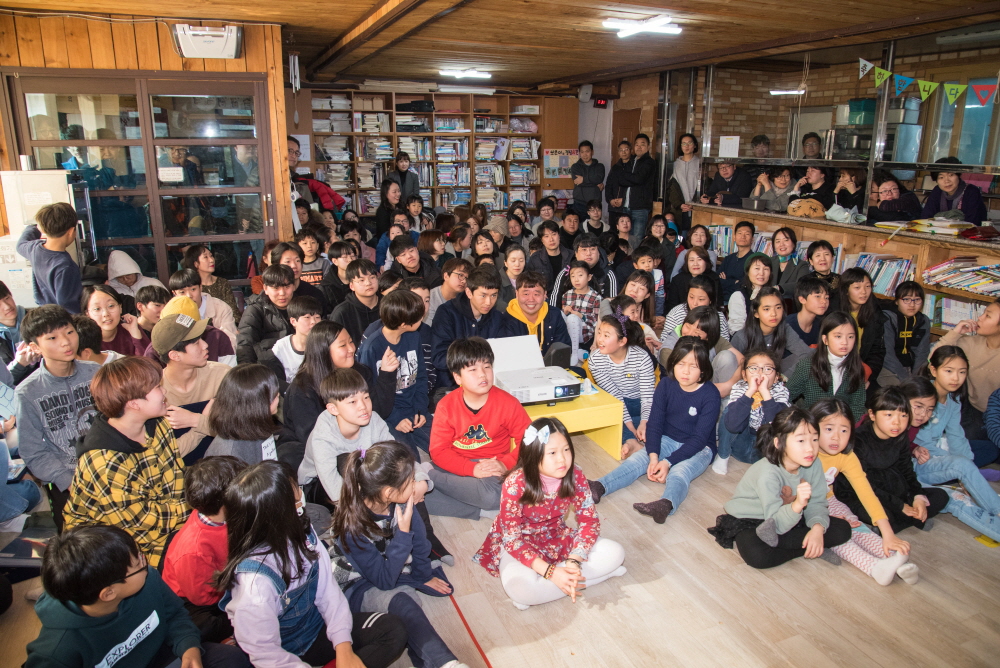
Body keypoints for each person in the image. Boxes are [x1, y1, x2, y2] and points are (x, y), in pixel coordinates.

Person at [217, 460, 408, 668]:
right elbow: (267, 655)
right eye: (295, 500)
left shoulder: (302, 532)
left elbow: (328, 591)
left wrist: (343, 645)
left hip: (317, 628)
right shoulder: (254, 586)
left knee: (393, 631)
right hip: (285, 652)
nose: (301, 499)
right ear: (277, 515)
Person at [26, 525, 249, 668]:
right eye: (137, 563)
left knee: (232, 659)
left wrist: (189, 647)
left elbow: (175, 615)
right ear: (108, 593)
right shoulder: (57, 652)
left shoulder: (146, 579)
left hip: (163, 655)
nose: (145, 563)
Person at [331, 443, 469, 668]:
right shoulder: (352, 528)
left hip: (390, 566)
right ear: (388, 492)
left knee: (410, 602)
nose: (415, 485)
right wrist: (403, 535)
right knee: (404, 601)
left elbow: (421, 544)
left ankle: (432, 660)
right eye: (411, 481)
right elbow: (384, 581)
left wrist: (423, 576)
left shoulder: (402, 502)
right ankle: (447, 663)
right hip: (358, 583)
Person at [474, 416, 626, 609]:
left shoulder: (575, 474)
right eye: (552, 453)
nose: (562, 459)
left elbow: (589, 522)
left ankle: (553, 585)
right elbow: (512, 539)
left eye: (566, 450)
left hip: (556, 536)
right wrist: (551, 572)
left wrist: (574, 561)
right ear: (534, 455)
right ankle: (589, 578)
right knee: (520, 588)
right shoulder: (515, 483)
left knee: (616, 552)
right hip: (519, 544)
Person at [63, 356, 188, 566]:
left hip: (162, 519)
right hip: (106, 546)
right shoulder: (104, 461)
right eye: (157, 387)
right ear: (134, 404)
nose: (164, 391)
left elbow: (175, 478)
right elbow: (139, 526)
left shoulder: (158, 424)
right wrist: (192, 510)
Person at [588, 337, 719, 524]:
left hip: (701, 448)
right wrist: (654, 457)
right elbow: (655, 424)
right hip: (668, 438)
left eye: (694, 366)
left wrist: (668, 462)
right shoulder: (666, 385)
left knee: (680, 472)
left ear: (703, 370)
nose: (686, 371)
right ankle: (599, 486)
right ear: (673, 363)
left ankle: (666, 504)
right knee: (638, 460)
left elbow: (699, 439)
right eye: (681, 364)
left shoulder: (710, 394)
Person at [707, 406, 852, 569]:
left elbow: (817, 502)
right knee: (757, 555)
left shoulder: (814, 462)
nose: (810, 448)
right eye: (801, 441)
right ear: (778, 443)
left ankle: (807, 544)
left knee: (843, 529)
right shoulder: (768, 473)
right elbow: (775, 523)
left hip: (791, 515)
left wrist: (817, 529)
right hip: (755, 519)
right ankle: (808, 547)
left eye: (815, 439)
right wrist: (798, 504)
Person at [811, 398, 917, 585]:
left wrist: (888, 534)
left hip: (829, 500)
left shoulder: (846, 456)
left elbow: (866, 493)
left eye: (844, 430)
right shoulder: (803, 452)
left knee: (854, 524)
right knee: (837, 532)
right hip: (801, 507)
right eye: (829, 429)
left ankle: (893, 557)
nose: (836, 437)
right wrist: (826, 519)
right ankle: (874, 567)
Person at [425, 337, 531, 519]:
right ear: (457, 377)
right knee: (411, 497)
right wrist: (471, 469)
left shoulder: (508, 403)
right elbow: (439, 451)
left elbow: (530, 442)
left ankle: (429, 476)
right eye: (473, 369)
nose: (482, 374)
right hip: (456, 466)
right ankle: (480, 508)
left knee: (496, 494)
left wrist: (504, 463)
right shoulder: (446, 406)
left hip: (493, 468)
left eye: (487, 366)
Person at [16, 306, 100, 531]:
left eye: (69, 332)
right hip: (66, 482)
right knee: (79, 543)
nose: (65, 342)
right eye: (52, 338)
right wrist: (67, 481)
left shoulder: (95, 372)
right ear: (35, 347)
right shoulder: (28, 392)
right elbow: (33, 451)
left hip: (108, 470)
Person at [278, 321, 396, 471]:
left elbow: (379, 412)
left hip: (357, 439)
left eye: (351, 342)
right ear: (323, 351)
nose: (352, 348)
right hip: (319, 451)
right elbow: (313, 440)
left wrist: (387, 374)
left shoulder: (359, 372)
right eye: (343, 345)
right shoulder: (302, 390)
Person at [835, 387, 950, 533]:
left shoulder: (901, 436)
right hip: (861, 492)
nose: (897, 422)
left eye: (903, 415)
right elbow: (863, 485)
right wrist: (900, 506)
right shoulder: (858, 440)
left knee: (940, 496)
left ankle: (897, 523)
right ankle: (904, 521)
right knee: (884, 515)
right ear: (872, 414)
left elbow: (907, 470)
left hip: (892, 488)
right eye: (889, 415)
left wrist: (917, 496)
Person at [162, 456, 249, 643]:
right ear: (227, 501)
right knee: (208, 626)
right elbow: (202, 598)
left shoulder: (218, 514)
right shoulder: (193, 550)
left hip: (224, 577)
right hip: (196, 599)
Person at [904, 376, 1000, 541]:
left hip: (915, 467)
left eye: (929, 410)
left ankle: (997, 509)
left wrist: (915, 449)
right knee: (956, 499)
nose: (923, 414)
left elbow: (908, 446)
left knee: (963, 464)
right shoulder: (886, 422)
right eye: (918, 407)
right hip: (900, 480)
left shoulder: (915, 424)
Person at [358, 291, 433, 457]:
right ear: (403, 324)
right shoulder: (372, 347)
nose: (423, 318)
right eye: (419, 317)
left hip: (414, 408)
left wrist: (420, 409)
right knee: (409, 461)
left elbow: (421, 377)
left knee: (444, 446)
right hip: (387, 415)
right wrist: (395, 418)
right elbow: (369, 393)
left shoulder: (414, 337)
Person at [154, 312, 229, 462]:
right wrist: (201, 427)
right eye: (196, 343)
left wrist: (195, 420)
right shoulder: (154, 392)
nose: (205, 345)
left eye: (202, 338)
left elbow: (241, 431)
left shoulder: (222, 375)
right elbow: (166, 456)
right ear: (175, 356)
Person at [589, 314, 655, 460]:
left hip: (640, 402)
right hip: (617, 403)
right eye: (599, 333)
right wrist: (630, 425)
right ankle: (632, 441)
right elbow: (614, 396)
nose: (600, 339)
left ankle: (633, 436)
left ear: (622, 341)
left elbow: (647, 397)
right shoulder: (595, 360)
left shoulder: (642, 358)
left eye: (606, 335)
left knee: (658, 415)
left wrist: (644, 422)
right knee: (602, 414)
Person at [933, 298, 1000, 442]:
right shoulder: (970, 343)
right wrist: (956, 333)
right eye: (983, 313)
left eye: (988, 316)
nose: (980, 318)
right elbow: (932, 362)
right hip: (972, 409)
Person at [713, 349, 790, 474]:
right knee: (731, 410)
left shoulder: (781, 391)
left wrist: (765, 393)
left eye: (767, 369)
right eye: (754, 368)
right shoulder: (740, 388)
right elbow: (732, 425)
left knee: (784, 415)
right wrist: (750, 392)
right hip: (740, 445)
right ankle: (722, 455)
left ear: (776, 377)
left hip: (765, 449)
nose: (760, 373)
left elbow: (780, 428)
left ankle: (775, 464)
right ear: (744, 375)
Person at [430, 267, 505, 391]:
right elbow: (439, 357)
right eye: (483, 295)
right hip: (451, 386)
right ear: (469, 293)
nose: (488, 302)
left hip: (488, 385)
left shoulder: (497, 317)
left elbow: (502, 354)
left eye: (493, 295)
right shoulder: (447, 313)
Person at [786, 311, 866, 418]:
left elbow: (857, 407)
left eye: (850, 337)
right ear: (825, 339)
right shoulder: (808, 365)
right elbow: (785, 397)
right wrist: (800, 421)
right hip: (812, 424)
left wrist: (845, 426)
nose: (845, 342)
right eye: (838, 336)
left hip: (842, 426)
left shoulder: (856, 367)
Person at [204, 364, 281, 464]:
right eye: (273, 393)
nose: (278, 394)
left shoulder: (257, 424)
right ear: (257, 403)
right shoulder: (229, 456)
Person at [659, 306, 742, 396]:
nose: (689, 333)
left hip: (712, 388)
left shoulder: (714, 340)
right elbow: (687, 378)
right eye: (687, 327)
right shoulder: (668, 349)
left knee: (727, 356)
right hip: (682, 393)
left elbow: (742, 360)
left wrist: (729, 385)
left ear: (708, 336)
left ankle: (725, 402)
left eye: (697, 333)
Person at [730, 287, 812, 377]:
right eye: (766, 309)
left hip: (776, 375)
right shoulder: (742, 336)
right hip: (750, 378)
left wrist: (784, 377)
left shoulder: (785, 329)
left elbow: (806, 354)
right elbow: (732, 367)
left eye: (778, 307)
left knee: (810, 355)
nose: (773, 313)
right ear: (756, 313)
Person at [16, 202, 81, 313]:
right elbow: (67, 304)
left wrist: (35, 226)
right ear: (71, 231)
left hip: (45, 313)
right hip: (62, 317)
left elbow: (20, 245)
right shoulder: (66, 266)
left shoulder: (34, 249)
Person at [502, 270, 571, 362]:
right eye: (526, 294)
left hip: (550, 367)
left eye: (536, 294)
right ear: (517, 294)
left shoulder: (554, 315)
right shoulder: (506, 319)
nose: (531, 299)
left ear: (545, 294)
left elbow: (562, 349)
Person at [150, 296, 236, 368]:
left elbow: (229, 373)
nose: (205, 345)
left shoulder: (217, 337)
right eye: (196, 342)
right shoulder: (155, 351)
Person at [839, 268, 887, 392]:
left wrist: (866, 375)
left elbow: (877, 351)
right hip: (838, 371)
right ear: (846, 290)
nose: (864, 292)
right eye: (857, 287)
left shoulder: (875, 314)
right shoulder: (835, 313)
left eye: (867, 286)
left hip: (864, 370)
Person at [237, 264, 293, 367]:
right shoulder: (255, 310)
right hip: (267, 367)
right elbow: (245, 343)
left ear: (293, 286)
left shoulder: (302, 306)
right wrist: (248, 371)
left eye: (287, 287)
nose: (282, 293)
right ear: (265, 288)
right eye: (276, 288)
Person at [169, 268, 238, 348]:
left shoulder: (221, 308)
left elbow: (230, 342)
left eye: (193, 289)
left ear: (200, 287)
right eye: (182, 292)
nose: (189, 296)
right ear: (174, 293)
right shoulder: (170, 312)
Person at [549, 233, 619, 308]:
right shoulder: (566, 272)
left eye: (592, 249)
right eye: (584, 250)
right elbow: (554, 305)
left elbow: (613, 307)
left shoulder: (608, 274)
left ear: (599, 252)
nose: (588, 253)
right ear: (576, 253)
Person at [82, 285, 150, 356]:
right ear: (87, 314)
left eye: (111, 306)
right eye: (97, 309)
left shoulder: (130, 328)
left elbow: (149, 361)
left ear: (120, 308)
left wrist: (135, 334)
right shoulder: (83, 340)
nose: (106, 314)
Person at [613, 133, 657, 241]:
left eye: (642, 144)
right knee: (624, 238)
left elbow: (639, 179)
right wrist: (633, 179)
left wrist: (628, 177)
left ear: (648, 147)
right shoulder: (631, 161)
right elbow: (620, 181)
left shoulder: (649, 162)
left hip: (640, 207)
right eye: (637, 144)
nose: (639, 147)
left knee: (636, 239)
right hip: (626, 206)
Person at [663, 274, 730, 343]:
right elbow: (664, 342)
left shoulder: (719, 317)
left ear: (711, 300)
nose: (695, 303)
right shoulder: (675, 314)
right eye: (691, 297)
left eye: (701, 299)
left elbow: (725, 345)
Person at [330, 258, 381, 348]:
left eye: (372, 277)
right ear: (351, 286)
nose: (368, 283)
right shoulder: (342, 312)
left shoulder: (389, 304)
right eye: (361, 280)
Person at [920, 157, 988, 225]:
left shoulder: (971, 191)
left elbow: (973, 222)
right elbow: (925, 218)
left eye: (951, 175)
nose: (946, 181)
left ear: (958, 175)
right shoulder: (937, 191)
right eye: (941, 177)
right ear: (936, 180)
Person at [271, 295, 323, 383]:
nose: (313, 322)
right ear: (293, 321)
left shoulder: (325, 343)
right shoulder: (281, 348)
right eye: (307, 317)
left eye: (317, 317)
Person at [181, 245, 240, 321]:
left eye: (211, 256)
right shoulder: (192, 286)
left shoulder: (222, 283)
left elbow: (234, 313)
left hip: (226, 325)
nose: (211, 260)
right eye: (206, 257)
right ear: (196, 264)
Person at [271, 242, 329, 317]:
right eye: (288, 262)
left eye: (297, 261)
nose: (294, 266)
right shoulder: (269, 295)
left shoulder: (314, 294)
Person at [561, 261, 602, 364]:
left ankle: (573, 354)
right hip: (569, 330)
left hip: (585, 332)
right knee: (559, 314)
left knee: (573, 318)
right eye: (573, 276)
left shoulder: (596, 297)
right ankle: (577, 351)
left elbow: (596, 321)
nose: (576, 279)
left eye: (580, 275)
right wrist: (565, 312)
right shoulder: (567, 295)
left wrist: (581, 316)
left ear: (589, 277)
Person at [665, 246, 721, 315]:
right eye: (691, 260)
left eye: (699, 259)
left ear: (706, 262)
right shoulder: (677, 280)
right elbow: (672, 306)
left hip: (708, 316)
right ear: (687, 263)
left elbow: (717, 305)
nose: (695, 264)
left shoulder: (714, 279)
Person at [727, 251, 771, 333]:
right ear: (747, 272)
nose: (761, 273)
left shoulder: (773, 295)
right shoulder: (739, 296)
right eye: (757, 268)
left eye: (766, 269)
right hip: (747, 338)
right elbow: (736, 329)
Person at [526, 220, 572, 294]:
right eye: (546, 236)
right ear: (542, 240)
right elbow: (529, 282)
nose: (551, 239)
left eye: (554, 234)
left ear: (559, 236)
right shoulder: (535, 259)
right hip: (544, 298)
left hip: (568, 296)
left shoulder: (571, 256)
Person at [785, 276, 830, 347]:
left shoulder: (821, 325)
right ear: (802, 299)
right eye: (818, 296)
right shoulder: (787, 325)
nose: (824, 301)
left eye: (826, 297)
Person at [426, 258, 470, 326]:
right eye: (461, 275)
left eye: (467, 278)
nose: (464, 281)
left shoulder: (468, 298)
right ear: (446, 276)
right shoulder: (429, 298)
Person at [718, 221, 756, 299]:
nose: (743, 237)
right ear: (734, 237)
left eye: (747, 234)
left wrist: (726, 281)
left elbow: (745, 285)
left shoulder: (754, 260)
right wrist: (734, 282)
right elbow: (717, 280)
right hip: (722, 299)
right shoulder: (728, 259)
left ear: (752, 239)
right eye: (740, 233)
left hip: (741, 300)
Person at [568, 140, 606, 219]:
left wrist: (584, 179)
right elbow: (578, 181)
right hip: (579, 203)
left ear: (592, 152)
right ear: (579, 153)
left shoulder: (599, 166)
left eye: (587, 151)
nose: (585, 154)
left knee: (595, 226)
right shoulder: (575, 167)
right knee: (579, 226)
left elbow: (599, 179)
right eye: (582, 152)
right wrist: (594, 183)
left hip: (595, 204)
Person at [770, 226, 810, 298]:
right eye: (778, 241)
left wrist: (779, 288)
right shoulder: (769, 261)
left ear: (794, 243)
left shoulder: (801, 265)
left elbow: (801, 285)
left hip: (789, 303)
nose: (781, 244)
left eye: (786, 240)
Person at [320, 240, 358, 307]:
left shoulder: (362, 280)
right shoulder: (326, 287)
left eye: (352, 256)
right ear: (335, 261)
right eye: (345, 257)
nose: (350, 260)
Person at [605, 140, 633, 221]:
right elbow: (608, 185)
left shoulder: (634, 167)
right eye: (621, 150)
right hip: (613, 207)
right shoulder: (615, 168)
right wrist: (610, 200)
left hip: (627, 206)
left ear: (631, 150)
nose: (623, 152)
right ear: (618, 152)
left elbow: (634, 187)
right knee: (613, 228)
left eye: (626, 149)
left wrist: (624, 200)